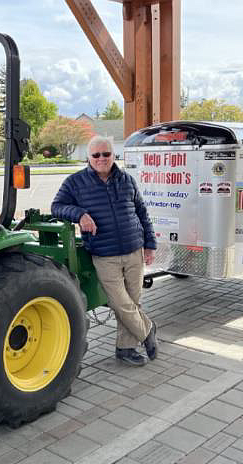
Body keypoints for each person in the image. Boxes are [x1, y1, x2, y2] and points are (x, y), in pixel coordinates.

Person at [51, 135, 158, 366]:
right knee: (121, 302)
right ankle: (147, 331)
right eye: (96, 155)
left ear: (113, 155)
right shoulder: (75, 183)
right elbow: (56, 207)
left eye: (106, 154)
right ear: (88, 157)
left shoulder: (127, 180)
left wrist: (149, 245)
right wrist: (79, 214)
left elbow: (142, 213)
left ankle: (126, 349)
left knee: (133, 302)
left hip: (134, 250)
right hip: (104, 254)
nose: (101, 158)